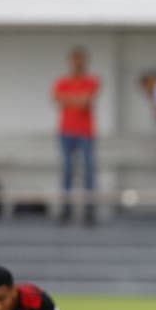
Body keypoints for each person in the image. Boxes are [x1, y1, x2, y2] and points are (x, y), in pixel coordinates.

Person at [52, 46, 100, 226]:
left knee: (88, 171)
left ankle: (89, 210)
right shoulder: (62, 82)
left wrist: (69, 99)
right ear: (70, 62)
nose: (77, 64)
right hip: (66, 132)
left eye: (80, 60)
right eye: (74, 60)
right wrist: (76, 99)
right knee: (66, 171)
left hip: (86, 133)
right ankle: (66, 209)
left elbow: (85, 103)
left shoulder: (91, 81)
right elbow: (58, 99)